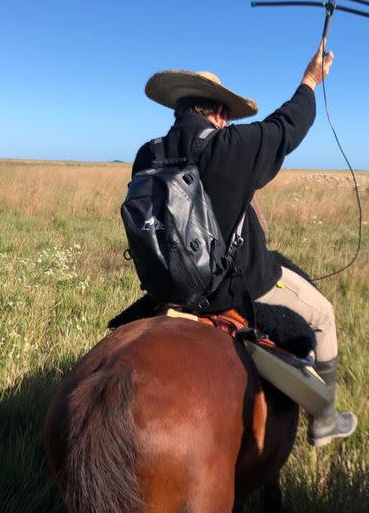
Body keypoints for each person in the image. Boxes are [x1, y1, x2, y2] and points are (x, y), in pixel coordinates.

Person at [133, 38, 357, 447]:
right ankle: (324, 418)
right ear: (218, 112)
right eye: (227, 116)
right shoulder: (228, 148)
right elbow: (286, 127)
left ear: (180, 108)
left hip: (167, 290)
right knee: (322, 313)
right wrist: (310, 80)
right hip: (233, 289)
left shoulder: (148, 153)